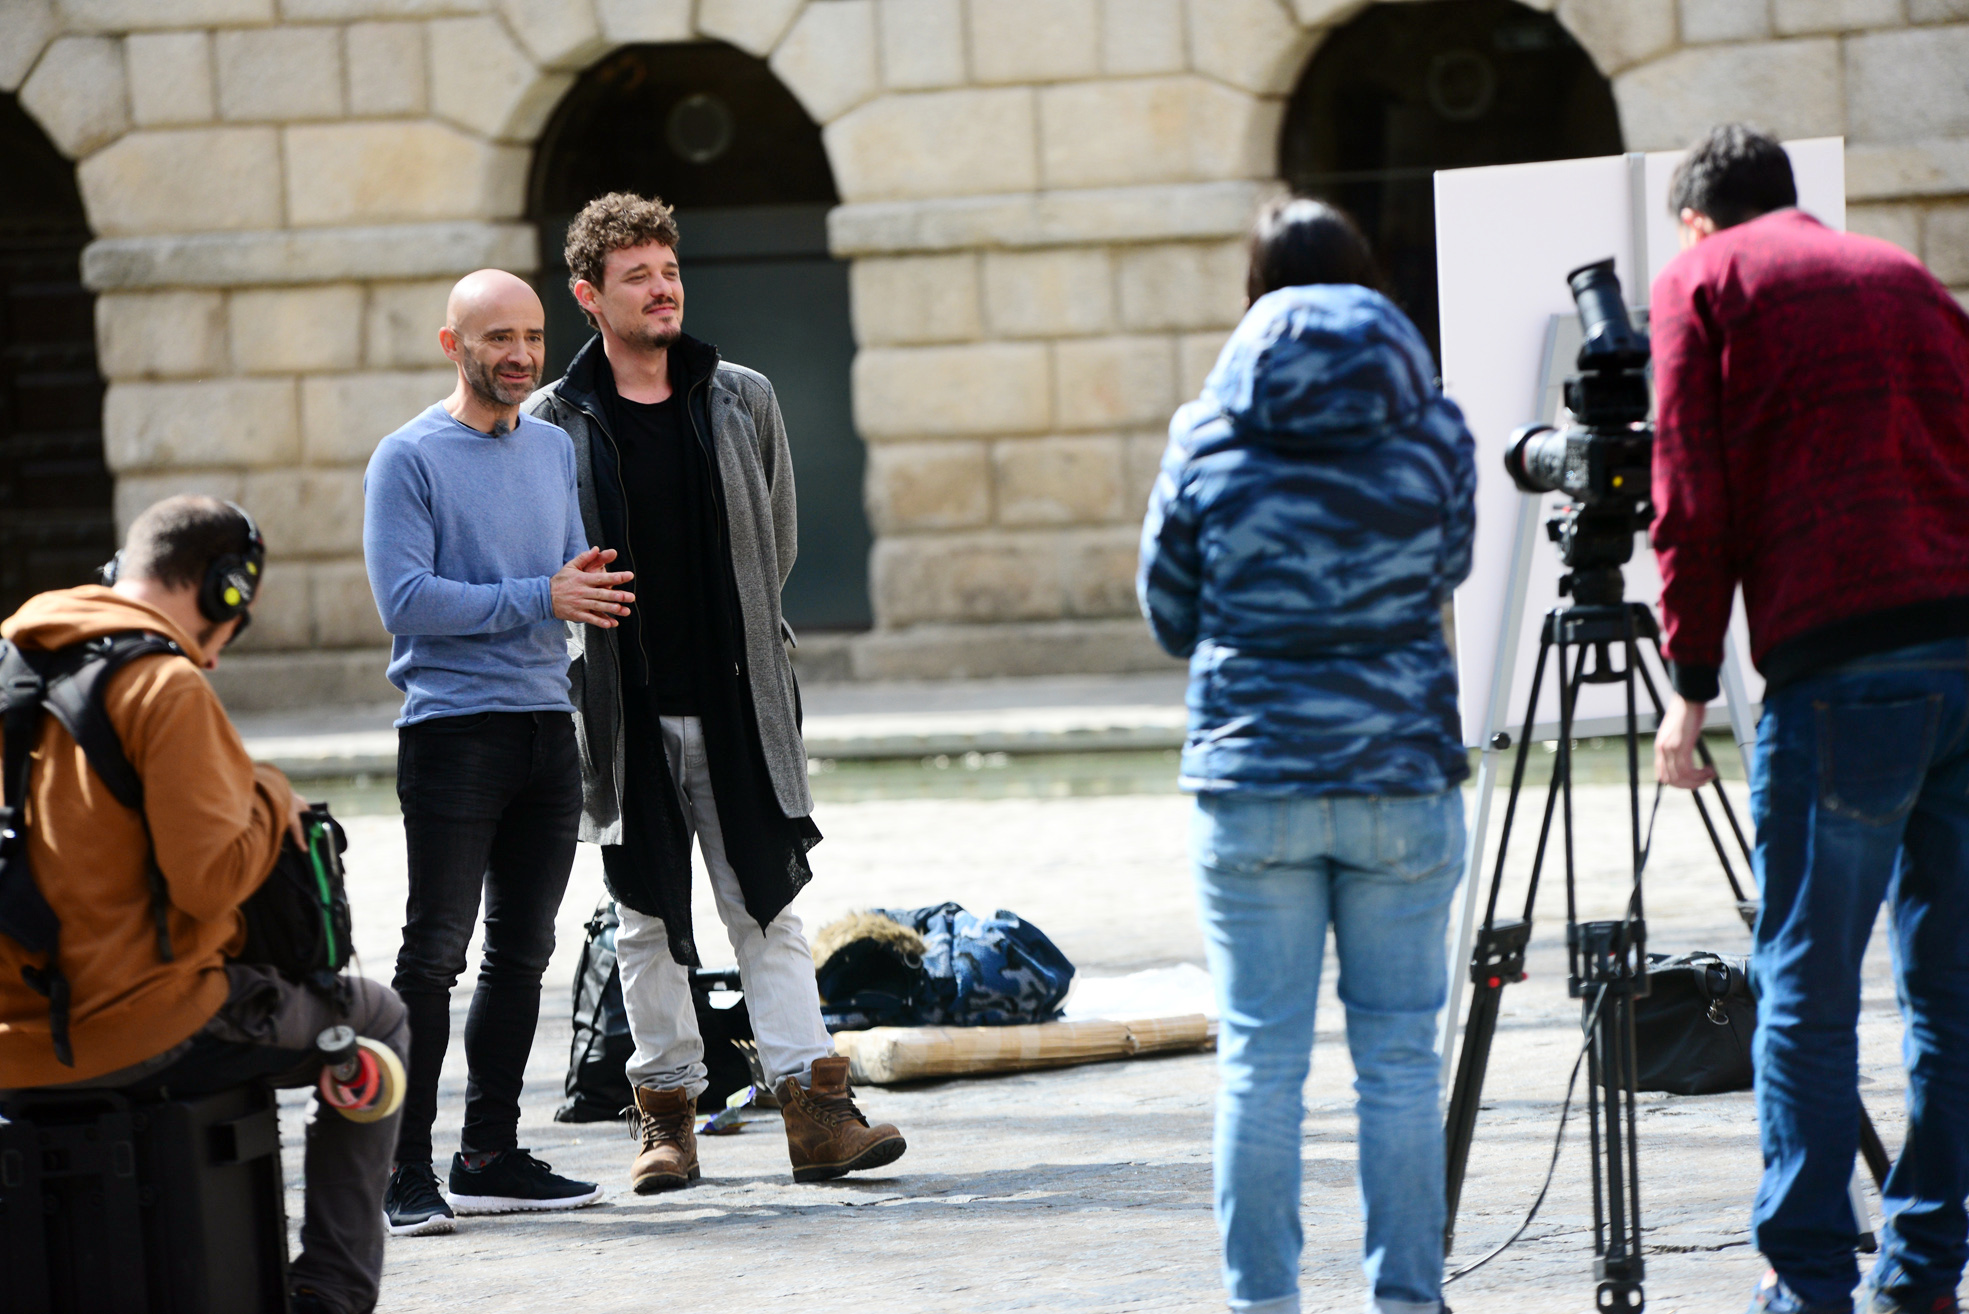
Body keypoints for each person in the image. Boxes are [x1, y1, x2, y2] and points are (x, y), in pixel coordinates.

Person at [1648, 124, 1969, 1314]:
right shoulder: (1903, 274)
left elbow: (1689, 494)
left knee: (1805, 985)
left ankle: (1810, 1288)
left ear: (1694, 219)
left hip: (1841, 673)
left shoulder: (1703, 281)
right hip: (1963, 654)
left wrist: (1687, 683)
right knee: (1951, 989)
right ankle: (1925, 1273)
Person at [524, 193, 905, 1192]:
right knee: (647, 921)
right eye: (638, 276)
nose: (662, 289)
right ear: (589, 297)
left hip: (740, 703)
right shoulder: (554, 422)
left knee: (768, 906)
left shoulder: (741, 396)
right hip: (623, 712)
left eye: (669, 270)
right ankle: (665, 1125)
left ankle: (816, 1115)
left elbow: (772, 544)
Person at [1139, 197, 1476, 1314]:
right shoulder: (1435, 426)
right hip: (1400, 778)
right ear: (1369, 281)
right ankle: (1409, 1302)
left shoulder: (1205, 430)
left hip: (1254, 783)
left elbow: (1169, 614)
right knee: (1398, 1064)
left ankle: (1265, 1305)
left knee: (1259, 1066)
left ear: (1252, 293)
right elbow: (1451, 570)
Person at [0, 495, 407, 1314]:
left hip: (14, 1043)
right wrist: (267, 793)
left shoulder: (11, 663)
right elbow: (209, 883)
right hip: (143, 1025)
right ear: (224, 589)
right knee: (375, 1021)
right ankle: (328, 1297)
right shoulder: (162, 684)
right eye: (238, 622)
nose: (220, 656)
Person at [363, 269, 635, 1235]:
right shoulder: (407, 458)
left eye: (530, 336)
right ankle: (401, 1173)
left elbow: (560, 574)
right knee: (430, 959)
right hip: (450, 734)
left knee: (523, 955)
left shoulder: (553, 448)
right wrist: (541, 597)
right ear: (453, 345)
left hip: (541, 727)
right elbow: (406, 602)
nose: (520, 355)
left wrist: (582, 591)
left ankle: (489, 1155)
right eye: (497, 339)